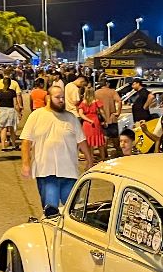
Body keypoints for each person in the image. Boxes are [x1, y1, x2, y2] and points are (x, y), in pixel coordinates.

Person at [20, 82, 95, 217]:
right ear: (48, 97)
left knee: (73, 212)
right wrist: (25, 163)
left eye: (62, 98)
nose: (61, 100)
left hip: (69, 172)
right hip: (46, 172)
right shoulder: (36, 116)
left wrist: (90, 160)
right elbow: (26, 142)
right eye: (57, 97)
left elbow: (81, 140)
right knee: (51, 211)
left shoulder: (70, 117)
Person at [95, 79, 123, 159]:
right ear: (107, 84)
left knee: (104, 139)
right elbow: (119, 101)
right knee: (115, 139)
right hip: (112, 118)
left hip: (102, 120)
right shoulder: (112, 92)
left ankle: (104, 157)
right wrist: (118, 112)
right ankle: (119, 155)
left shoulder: (96, 93)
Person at [0, 76, 21, 152]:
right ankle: (13, 145)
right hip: (11, 111)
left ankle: (3, 146)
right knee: (12, 129)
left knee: (3, 129)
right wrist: (19, 112)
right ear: (9, 84)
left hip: (2, 110)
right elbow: (15, 103)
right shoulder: (12, 92)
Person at [77, 87, 105, 156]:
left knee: (89, 143)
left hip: (86, 124)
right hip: (95, 122)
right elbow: (102, 112)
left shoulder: (83, 103)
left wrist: (88, 120)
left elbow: (81, 114)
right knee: (100, 142)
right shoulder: (96, 101)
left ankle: (91, 159)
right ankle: (102, 158)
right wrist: (105, 120)